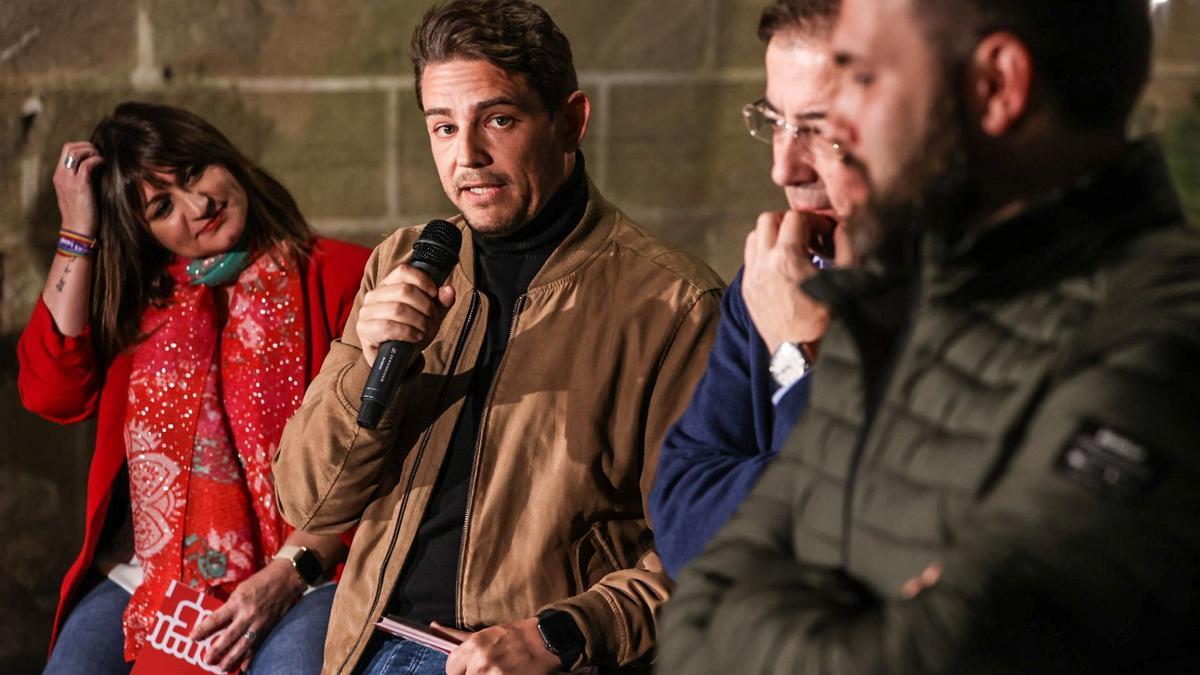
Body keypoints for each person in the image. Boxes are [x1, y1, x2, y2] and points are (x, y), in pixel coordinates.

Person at [660, 0, 1200, 672]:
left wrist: (803, 356)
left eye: (857, 82)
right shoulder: (895, 301)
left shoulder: (1158, 342)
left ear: (996, 87)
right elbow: (692, 622)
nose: (788, 167)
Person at [271, 2, 723, 674]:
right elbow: (310, 500)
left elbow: (705, 548)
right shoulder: (404, 261)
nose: (467, 157)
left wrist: (563, 633)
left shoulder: (671, 302)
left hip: (530, 655)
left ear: (570, 121)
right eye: (443, 127)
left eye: (499, 120)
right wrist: (364, 364)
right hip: (368, 639)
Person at [19, 101, 370, 675]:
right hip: (151, 576)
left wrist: (290, 570)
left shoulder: (340, 275)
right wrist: (78, 230)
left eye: (192, 174)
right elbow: (50, 391)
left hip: (311, 569)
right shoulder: (139, 307)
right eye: (162, 207)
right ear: (144, 232)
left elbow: (379, 451)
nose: (198, 205)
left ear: (224, 159)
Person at [649, 0, 858, 579]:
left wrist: (799, 353)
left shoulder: (982, 295)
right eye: (775, 122)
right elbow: (680, 521)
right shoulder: (775, 272)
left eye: (819, 132)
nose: (785, 168)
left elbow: (861, 529)